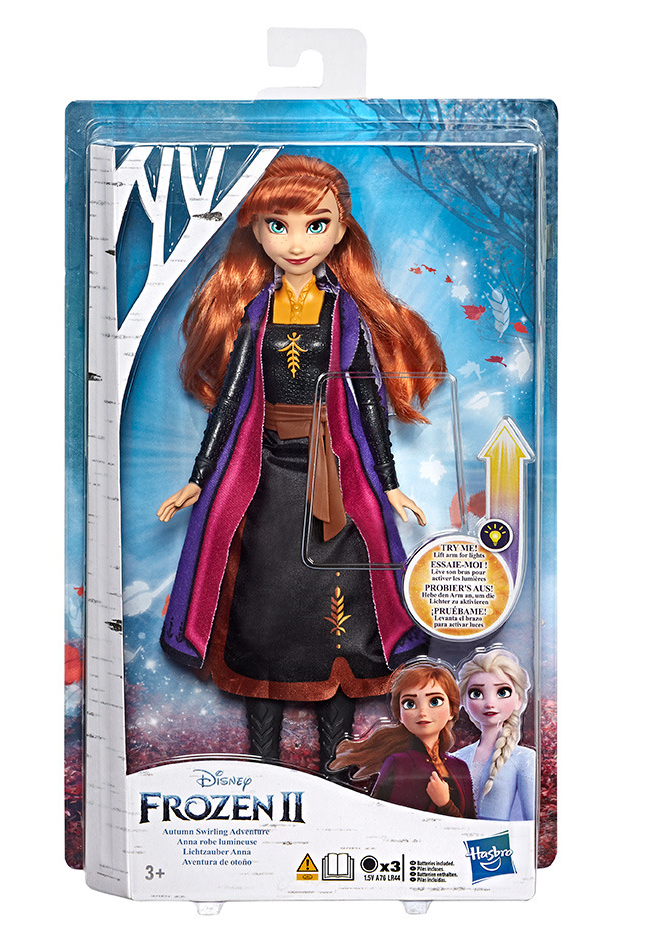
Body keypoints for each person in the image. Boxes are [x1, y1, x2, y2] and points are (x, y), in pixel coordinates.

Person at [157, 154, 446, 771]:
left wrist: (388, 484)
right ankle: (264, 766)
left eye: (315, 225)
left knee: (336, 614)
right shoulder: (255, 313)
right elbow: (232, 400)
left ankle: (336, 768)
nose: (296, 243)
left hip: (331, 477)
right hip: (265, 476)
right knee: (261, 613)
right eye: (278, 225)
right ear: (257, 232)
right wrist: (199, 478)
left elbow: (367, 399)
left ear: (340, 231)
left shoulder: (345, 315)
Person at [329, 661, 475, 816]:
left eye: (434, 701)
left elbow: (471, 823)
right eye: (409, 703)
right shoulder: (400, 763)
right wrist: (444, 805)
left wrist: (445, 804)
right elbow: (388, 819)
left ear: (452, 710)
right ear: (399, 714)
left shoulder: (459, 767)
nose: (422, 712)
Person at [454, 649, 536, 820]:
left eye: (502, 692)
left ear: (518, 700)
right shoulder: (457, 758)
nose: (490, 703)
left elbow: (531, 821)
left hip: (502, 837)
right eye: (476, 694)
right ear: (464, 702)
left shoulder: (524, 759)